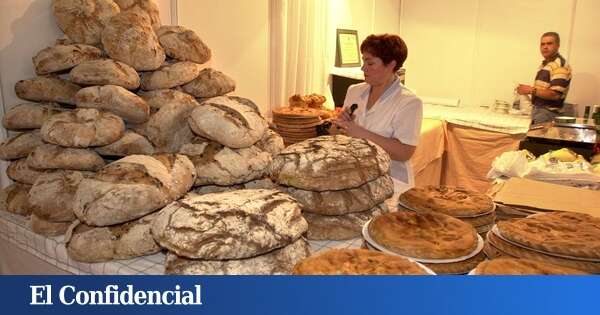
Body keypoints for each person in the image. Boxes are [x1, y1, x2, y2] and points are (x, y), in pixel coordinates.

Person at [333, 34, 423, 195]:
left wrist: (359, 133)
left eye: (370, 63)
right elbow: (337, 134)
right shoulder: (354, 91)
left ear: (391, 65)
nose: (363, 68)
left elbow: (404, 153)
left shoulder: (409, 102)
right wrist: (339, 125)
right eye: (363, 61)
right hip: (354, 177)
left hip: (391, 180)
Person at [517, 32, 572, 124]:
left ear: (558, 46)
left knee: (536, 138)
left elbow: (555, 95)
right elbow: (544, 90)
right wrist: (527, 90)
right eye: (542, 44)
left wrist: (531, 90)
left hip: (547, 114)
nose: (545, 47)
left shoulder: (559, 65)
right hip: (540, 112)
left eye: (549, 43)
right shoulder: (546, 64)